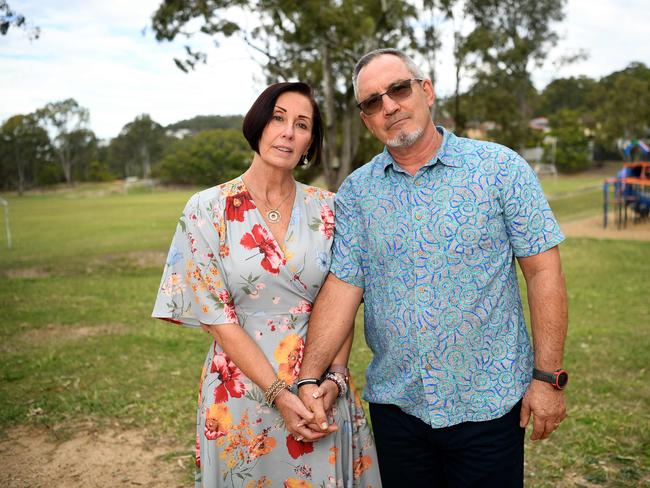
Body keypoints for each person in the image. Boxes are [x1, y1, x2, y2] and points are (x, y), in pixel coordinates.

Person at [297, 49, 569, 487]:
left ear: (426, 91)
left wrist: (548, 378)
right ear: (367, 119)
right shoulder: (357, 193)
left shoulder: (500, 169)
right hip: (397, 409)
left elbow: (544, 272)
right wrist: (308, 376)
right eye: (372, 102)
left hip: (489, 405)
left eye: (399, 89)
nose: (389, 106)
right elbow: (343, 285)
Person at [152, 82, 381, 488]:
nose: (288, 132)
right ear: (258, 124)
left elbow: (345, 295)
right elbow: (215, 317)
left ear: (311, 142)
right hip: (239, 391)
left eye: (302, 124)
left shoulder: (331, 208)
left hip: (320, 393)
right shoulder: (207, 209)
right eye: (278, 118)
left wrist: (336, 378)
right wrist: (279, 393)